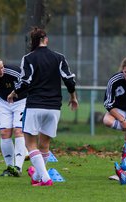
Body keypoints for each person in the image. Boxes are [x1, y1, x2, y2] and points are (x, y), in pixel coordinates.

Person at [7, 27, 78, 187]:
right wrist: (73, 96)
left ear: (33, 41)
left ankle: (45, 179)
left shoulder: (28, 58)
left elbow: (24, 81)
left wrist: (14, 92)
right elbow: (69, 80)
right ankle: (38, 176)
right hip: (54, 108)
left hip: (35, 106)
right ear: (46, 39)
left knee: (30, 144)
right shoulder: (59, 58)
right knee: (44, 145)